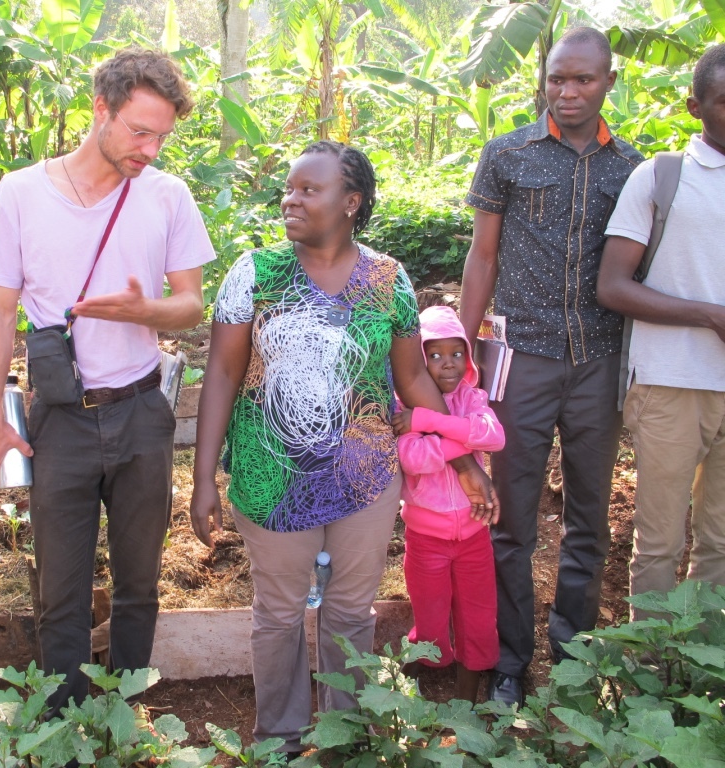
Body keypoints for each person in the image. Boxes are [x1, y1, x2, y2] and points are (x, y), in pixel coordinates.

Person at [190, 141, 497, 755]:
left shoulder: (388, 279)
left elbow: (412, 381)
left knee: (352, 612)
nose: (290, 199)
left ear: (351, 202)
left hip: (366, 480)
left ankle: (346, 735)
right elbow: (222, 376)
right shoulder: (253, 274)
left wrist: (463, 460)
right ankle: (279, 734)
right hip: (270, 480)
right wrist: (202, 479)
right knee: (277, 613)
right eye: (289, 187)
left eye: (309, 189)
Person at [0, 48, 215, 712]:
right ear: (100, 110)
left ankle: (121, 713)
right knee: (61, 592)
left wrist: (145, 311)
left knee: (140, 582)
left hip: (141, 414)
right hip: (62, 419)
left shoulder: (167, 195)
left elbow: (191, 303)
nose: (151, 148)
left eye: (162, 135)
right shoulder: (20, 194)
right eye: (140, 131)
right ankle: (65, 728)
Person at [459, 27, 643, 707]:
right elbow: (482, 257)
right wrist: (469, 353)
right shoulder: (506, 155)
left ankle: (572, 655)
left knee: (590, 520)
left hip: (599, 362)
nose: (567, 93)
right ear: (544, 79)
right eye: (557, 79)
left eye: (583, 81)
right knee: (511, 519)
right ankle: (512, 662)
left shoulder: (633, 168)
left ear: (608, 84)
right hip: (523, 359)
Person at [596, 44, 725, 616]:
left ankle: (700, 665)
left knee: (721, 544)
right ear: (696, 107)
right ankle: (645, 672)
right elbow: (613, 286)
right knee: (661, 542)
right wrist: (709, 314)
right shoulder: (663, 176)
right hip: (673, 381)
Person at [393, 304, 504, 704]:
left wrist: (432, 422)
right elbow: (412, 459)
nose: (448, 364)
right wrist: (460, 439)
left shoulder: (471, 399)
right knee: (431, 619)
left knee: (478, 620)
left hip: (474, 537)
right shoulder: (403, 409)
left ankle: (467, 702)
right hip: (426, 539)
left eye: (457, 353)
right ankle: (408, 683)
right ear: (419, 362)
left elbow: (492, 435)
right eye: (434, 355)